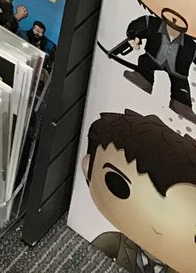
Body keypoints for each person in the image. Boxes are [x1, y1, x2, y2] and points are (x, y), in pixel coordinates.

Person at [82, 109, 196, 272]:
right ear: (88, 168)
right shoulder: (115, 241)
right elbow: (88, 257)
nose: (157, 227)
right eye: (119, 186)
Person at [117, 0, 196, 122]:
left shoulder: (190, 46)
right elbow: (137, 27)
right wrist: (133, 37)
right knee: (145, 65)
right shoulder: (151, 24)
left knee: (180, 86)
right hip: (152, 58)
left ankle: (181, 104)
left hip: (178, 71)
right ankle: (144, 79)